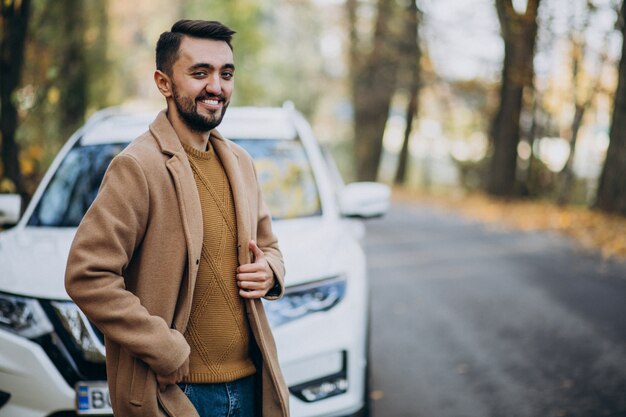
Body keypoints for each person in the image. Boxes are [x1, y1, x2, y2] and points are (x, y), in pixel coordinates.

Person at [65, 19, 289, 417]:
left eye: (226, 74)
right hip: (175, 392)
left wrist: (270, 271)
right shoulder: (137, 166)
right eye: (200, 73)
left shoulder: (240, 163)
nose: (216, 87)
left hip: (252, 385)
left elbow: (269, 245)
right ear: (164, 82)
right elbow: (88, 275)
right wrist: (161, 345)